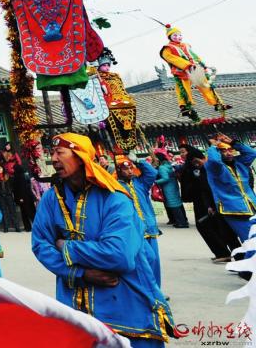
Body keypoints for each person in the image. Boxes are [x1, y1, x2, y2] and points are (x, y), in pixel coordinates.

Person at [32, 133, 174, 346]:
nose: (53, 159)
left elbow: (119, 254)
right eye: (51, 153)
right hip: (74, 306)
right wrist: (81, 273)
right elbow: (40, 244)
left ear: (81, 157)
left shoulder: (114, 197)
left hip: (126, 306)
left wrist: (66, 246)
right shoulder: (51, 198)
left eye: (60, 152)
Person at [180, 146, 238, 263]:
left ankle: (226, 253)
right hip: (203, 202)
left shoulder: (207, 168)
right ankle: (224, 253)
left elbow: (205, 188)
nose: (182, 154)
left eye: (183, 152)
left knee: (213, 228)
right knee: (213, 228)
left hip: (211, 202)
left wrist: (209, 205)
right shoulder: (190, 168)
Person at [159, 26, 229, 122]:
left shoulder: (186, 45)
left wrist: (201, 64)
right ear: (170, 37)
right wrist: (187, 65)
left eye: (179, 35)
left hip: (195, 69)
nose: (178, 37)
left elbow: (194, 56)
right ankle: (185, 107)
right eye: (175, 35)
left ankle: (218, 103)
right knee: (183, 89)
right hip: (182, 72)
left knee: (206, 86)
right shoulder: (167, 48)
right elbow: (173, 59)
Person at [115, 155, 162, 287]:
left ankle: (156, 290)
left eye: (131, 168)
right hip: (134, 229)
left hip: (150, 228)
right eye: (126, 169)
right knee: (146, 260)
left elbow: (152, 173)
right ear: (119, 171)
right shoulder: (116, 186)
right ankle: (147, 289)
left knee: (154, 261)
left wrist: (138, 161)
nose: (130, 171)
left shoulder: (140, 183)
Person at [204, 134, 256, 246]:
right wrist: (214, 146)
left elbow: (252, 153)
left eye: (230, 150)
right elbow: (215, 161)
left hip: (251, 204)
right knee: (250, 240)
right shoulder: (215, 167)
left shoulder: (240, 162)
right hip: (233, 209)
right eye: (223, 150)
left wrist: (233, 142)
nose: (228, 153)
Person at [153, 150, 189, 229]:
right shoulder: (168, 164)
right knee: (178, 203)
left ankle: (181, 223)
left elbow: (165, 178)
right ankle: (184, 220)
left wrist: (155, 182)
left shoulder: (162, 167)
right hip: (174, 185)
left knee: (173, 204)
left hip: (168, 188)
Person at [0, 163, 23, 233]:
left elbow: (12, 185)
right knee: (3, 211)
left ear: (3, 169)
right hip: (1, 196)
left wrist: (10, 191)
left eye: (0, 168)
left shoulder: (8, 176)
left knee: (12, 211)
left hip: (8, 195)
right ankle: (6, 227)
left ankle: (17, 227)